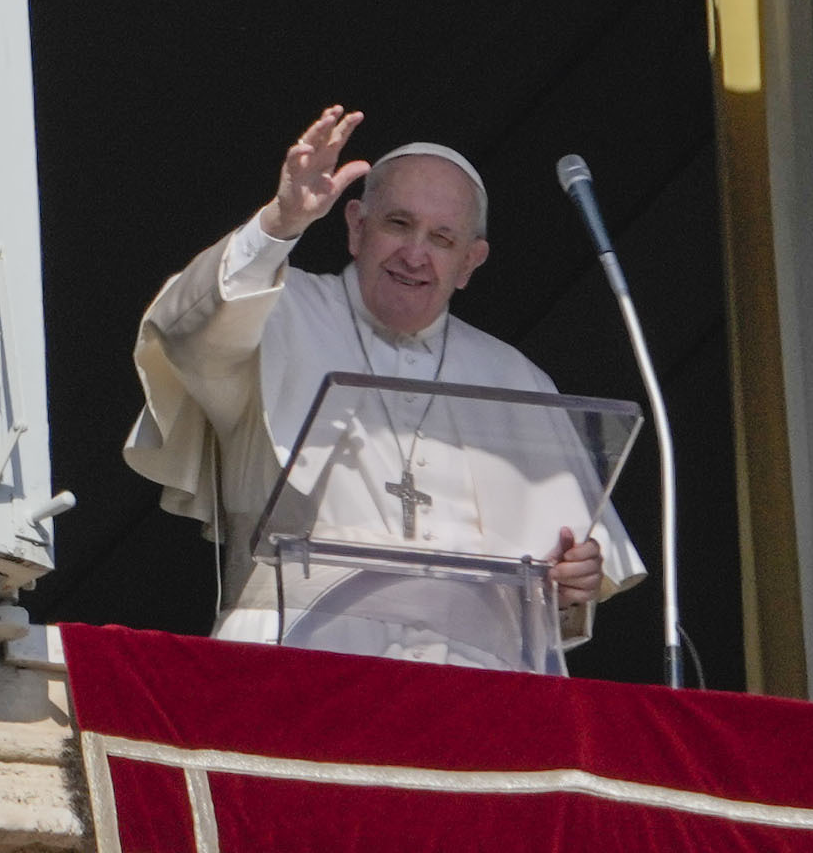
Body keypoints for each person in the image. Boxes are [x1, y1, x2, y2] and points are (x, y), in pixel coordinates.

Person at [125, 106, 640, 663]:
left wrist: (571, 584)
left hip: (478, 691)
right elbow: (187, 328)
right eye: (398, 224)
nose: (414, 254)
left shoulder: (516, 377)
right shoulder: (276, 310)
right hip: (294, 662)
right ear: (355, 226)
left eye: (442, 239)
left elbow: (557, 587)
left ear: (470, 262)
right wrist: (281, 221)